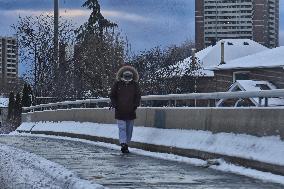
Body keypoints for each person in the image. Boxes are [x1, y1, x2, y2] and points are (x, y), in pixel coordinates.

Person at [110, 65, 141, 153]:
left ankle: (126, 143)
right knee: (122, 128)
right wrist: (115, 104)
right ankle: (123, 143)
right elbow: (112, 95)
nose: (127, 78)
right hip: (120, 110)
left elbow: (138, 96)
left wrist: (135, 105)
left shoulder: (135, 85)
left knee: (129, 129)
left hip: (131, 111)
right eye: (126, 76)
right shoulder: (117, 84)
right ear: (122, 76)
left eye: (129, 76)